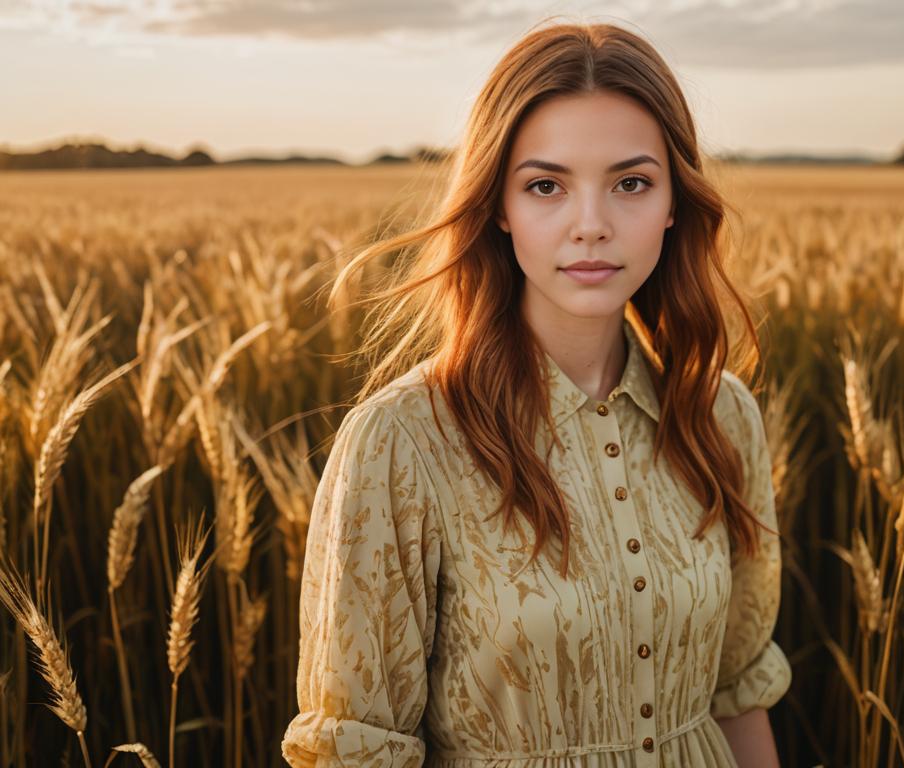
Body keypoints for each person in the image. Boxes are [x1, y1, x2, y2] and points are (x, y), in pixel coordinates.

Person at [281, 17, 791, 768]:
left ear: (676, 201)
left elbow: (738, 695)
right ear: (498, 206)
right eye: (546, 186)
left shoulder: (721, 414)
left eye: (631, 183)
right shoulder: (402, 443)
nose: (592, 225)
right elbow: (360, 749)